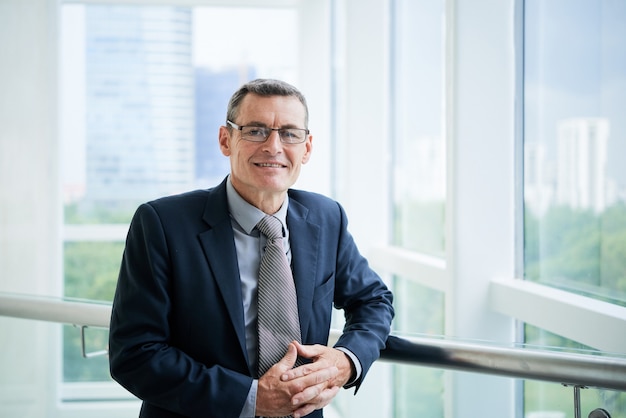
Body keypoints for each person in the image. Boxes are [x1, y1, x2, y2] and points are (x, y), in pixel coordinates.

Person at [108, 78, 394, 418]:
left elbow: (373, 300)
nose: (273, 146)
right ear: (225, 139)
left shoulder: (326, 217)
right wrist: (252, 398)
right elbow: (135, 353)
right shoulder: (162, 224)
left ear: (307, 147)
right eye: (256, 130)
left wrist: (346, 360)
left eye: (289, 133)